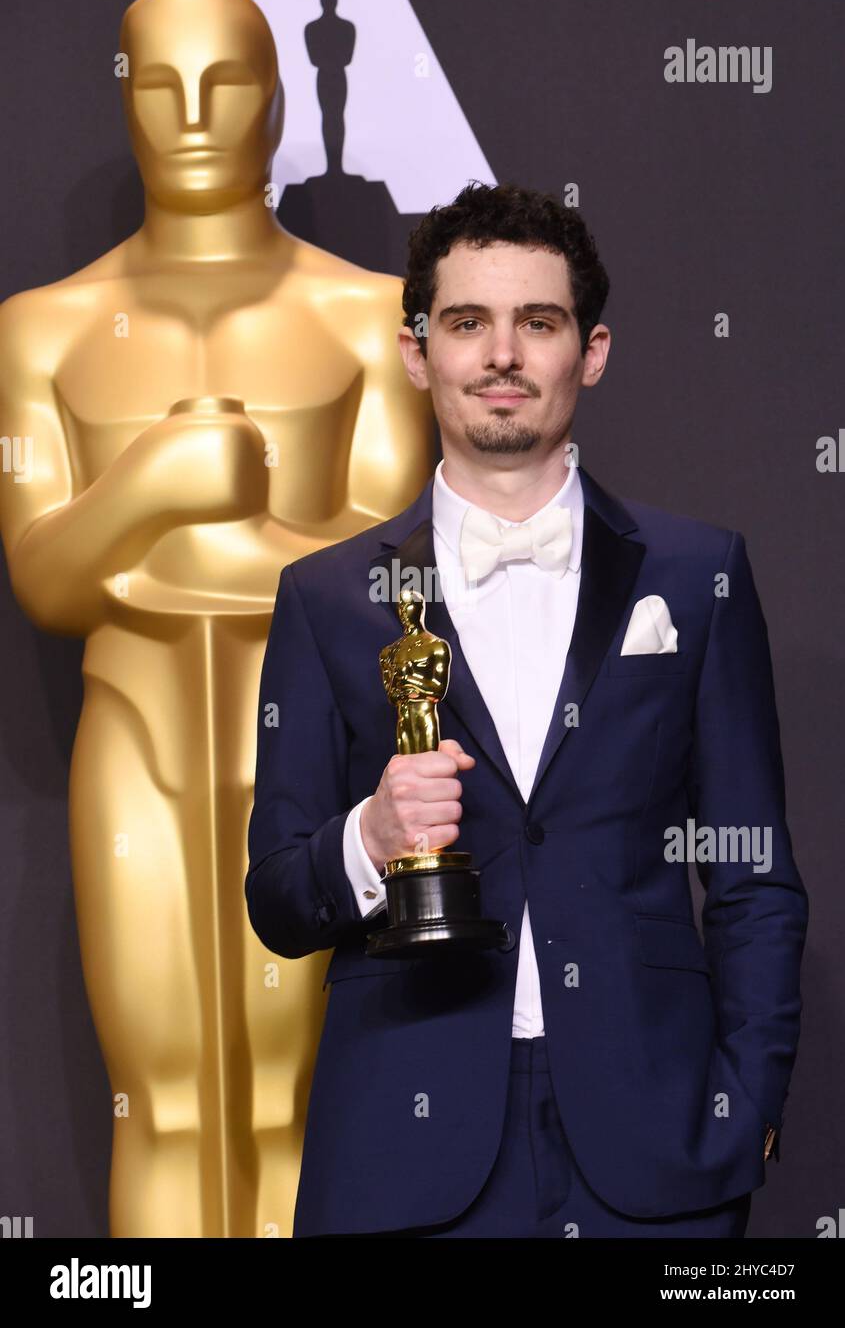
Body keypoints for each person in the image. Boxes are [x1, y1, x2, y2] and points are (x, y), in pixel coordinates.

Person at [245, 182, 808, 1238]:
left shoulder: (697, 576)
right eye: (466, 322)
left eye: (535, 322)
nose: (500, 354)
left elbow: (752, 877)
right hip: (403, 1152)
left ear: (588, 351)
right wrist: (368, 836)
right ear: (417, 352)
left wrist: (746, 1105)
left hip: (656, 1154)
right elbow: (275, 894)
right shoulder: (324, 598)